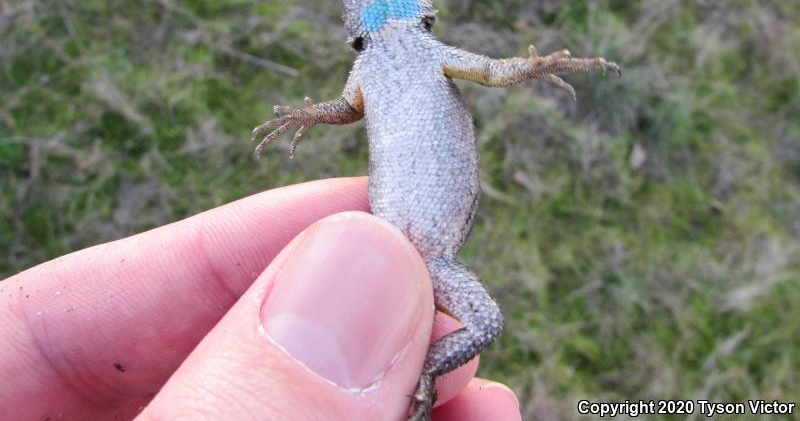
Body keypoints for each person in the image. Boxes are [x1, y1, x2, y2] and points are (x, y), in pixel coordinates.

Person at [0, 177, 521, 420]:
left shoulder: (428, 53)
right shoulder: (367, 67)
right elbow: (345, 109)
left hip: (430, 256)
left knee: (484, 321)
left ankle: (424, 377)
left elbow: (493, 71)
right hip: (412, 248)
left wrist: (533, 65)